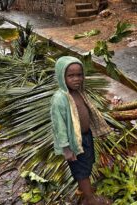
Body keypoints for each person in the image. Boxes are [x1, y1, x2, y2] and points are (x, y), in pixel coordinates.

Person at [50, 56, 112, 205]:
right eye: (71, 76)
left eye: (79, 75)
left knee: (88, 163)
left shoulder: (79, 92)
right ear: (61, 76)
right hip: (73, 143)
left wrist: (99, 131)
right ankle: (91, 200)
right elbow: (59, 127)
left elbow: (89, 112)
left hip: (86, 136)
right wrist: (66, 149)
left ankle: (83, 190)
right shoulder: (60, 99)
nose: (76, 79)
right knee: (81, 170)